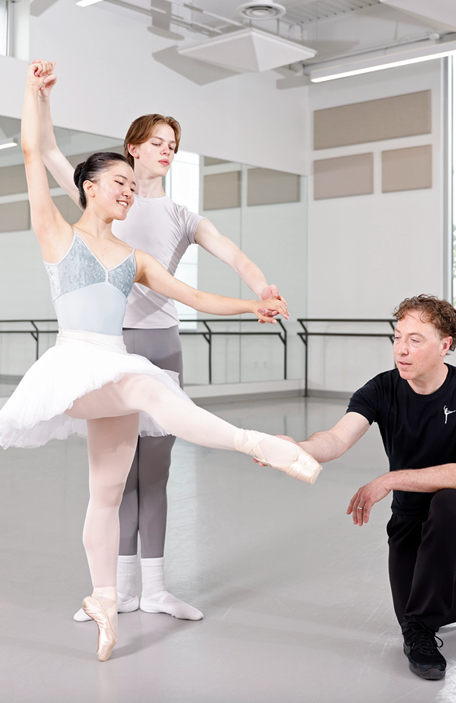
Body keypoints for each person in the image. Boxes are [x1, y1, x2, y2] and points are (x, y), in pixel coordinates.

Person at [0, 61, 321, 662]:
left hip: (117, 360)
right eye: (119, 181)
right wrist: (33, 92)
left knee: (106, 494)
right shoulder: (57, 233)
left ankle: (105, 601)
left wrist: (251, 304)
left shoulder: (134, 255)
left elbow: (192, 297)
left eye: (130, 186)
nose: (127, 190)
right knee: (146, 390)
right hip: (79, 366)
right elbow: (35, 151)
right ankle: (258, 444)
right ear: (91, 185)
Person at [36, 64, 287, 623]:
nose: (167, 151)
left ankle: (155, 589)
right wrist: (43, 97)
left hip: (162, 344)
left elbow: (231, 253)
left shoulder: (180, 214)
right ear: (132, 149)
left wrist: (260, 289)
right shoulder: (106, 197)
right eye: (158, 143)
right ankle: (115, 591)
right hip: (108, 347)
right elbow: (47, 148)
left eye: (173, 145)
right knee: (113, 473)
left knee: (156, 470)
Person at [278, 295, 456, 680]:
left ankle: (421, 634)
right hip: (411, 512)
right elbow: (335, 439)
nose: (401, 348)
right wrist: (294, 449)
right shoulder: (381, 389)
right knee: (422, 609)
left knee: (445, 517)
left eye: (415, 339)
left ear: (445, 345)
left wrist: (389, 479)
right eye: (398, 336)